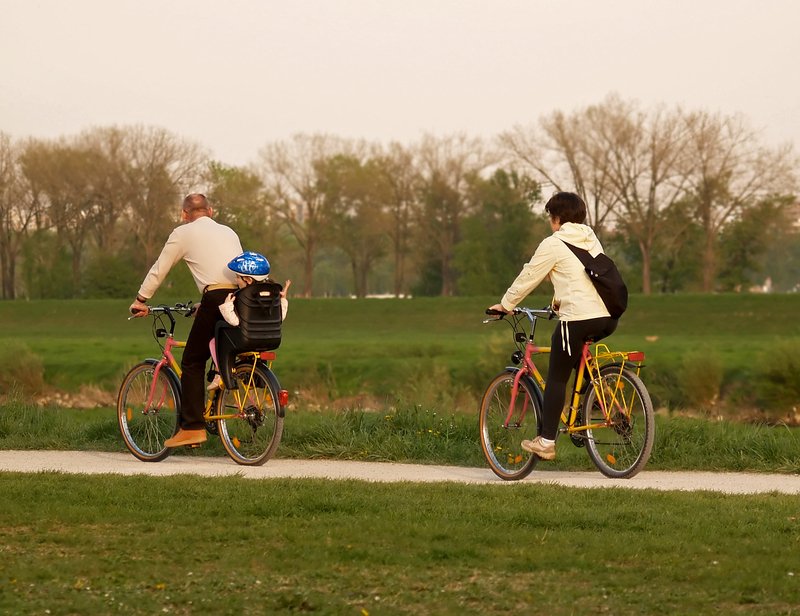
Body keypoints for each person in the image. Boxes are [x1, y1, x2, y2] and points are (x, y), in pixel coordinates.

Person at [487, 191, 618, 461]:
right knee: (575, 359)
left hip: (578, 317)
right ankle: (585, 409)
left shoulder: (554, 243)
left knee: (557, 376)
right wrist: (557, 305)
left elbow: (530, 275)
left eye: (550, 217)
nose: (550, 222)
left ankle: (546, 442)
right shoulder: (590, 238)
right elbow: (581, 278)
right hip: (608, 315)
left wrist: (506, 304)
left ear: (556, 218)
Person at [129, 193, 243, 448]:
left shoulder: (183, 233)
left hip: (216, 298)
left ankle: (192, 428)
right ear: (211, 211)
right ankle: (217, 392)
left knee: (192, 360)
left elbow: (161, 267)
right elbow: (230, 274)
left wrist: (141, 299)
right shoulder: (230, 232)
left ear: (184, 214)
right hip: (238, 299)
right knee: (218, 350)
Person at [207, 251, 291, 390]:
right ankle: (254, 378)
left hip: (244, 339)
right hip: (269, 339)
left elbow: (235, 322)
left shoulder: (244, 297)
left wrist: (227, 305)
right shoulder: (271, 294)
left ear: (248, 280)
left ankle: (220, 374)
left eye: (238, 277)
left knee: (214, 339)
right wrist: (283, 299)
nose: (236, 281)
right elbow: (280, 317)